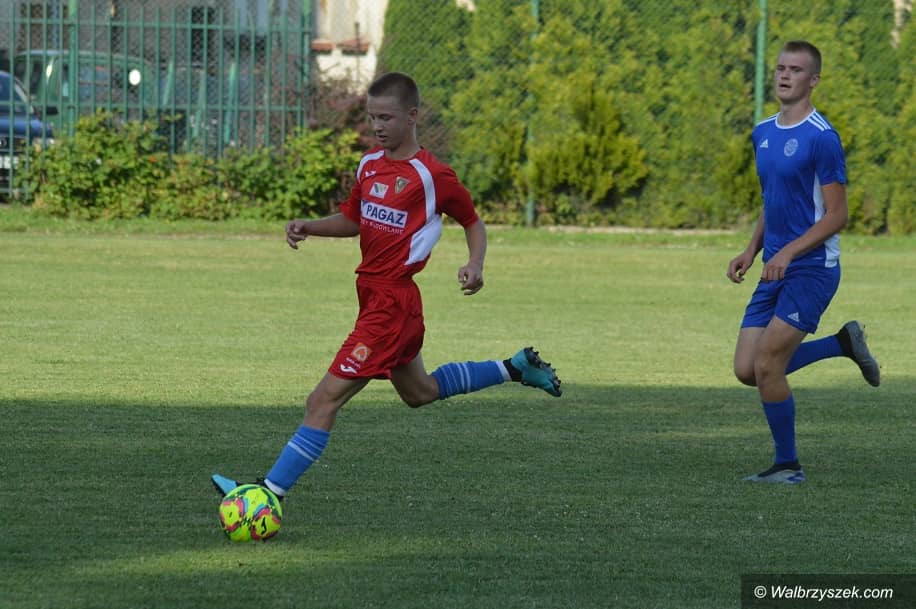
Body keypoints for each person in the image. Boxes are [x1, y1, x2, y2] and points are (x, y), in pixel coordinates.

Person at [212, 72, 561, 503]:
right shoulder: (369, 165)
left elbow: (472, 221)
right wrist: (310, 226)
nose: (377, 126)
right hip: (376, 299)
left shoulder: (432, 175)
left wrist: (475, 263)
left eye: (386, 118)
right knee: (420, 392)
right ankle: (514, 368)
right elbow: (354, 219)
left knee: (321, 401)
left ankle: (266, 495)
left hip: (391, 306)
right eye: (372, 117)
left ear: (412, 116)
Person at [726, 40, 880, 484]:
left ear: (813, 80)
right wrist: (752, 249)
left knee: (768, 364)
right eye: (780, 68)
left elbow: (837, 214)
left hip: (812, 269)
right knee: (747, 369)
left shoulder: (821, 137)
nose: (784, 75)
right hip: (774, 265)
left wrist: (790, 251)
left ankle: (787, 466)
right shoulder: (763, 132)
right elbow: (773, 200)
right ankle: (842, 344)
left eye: (795, 70)